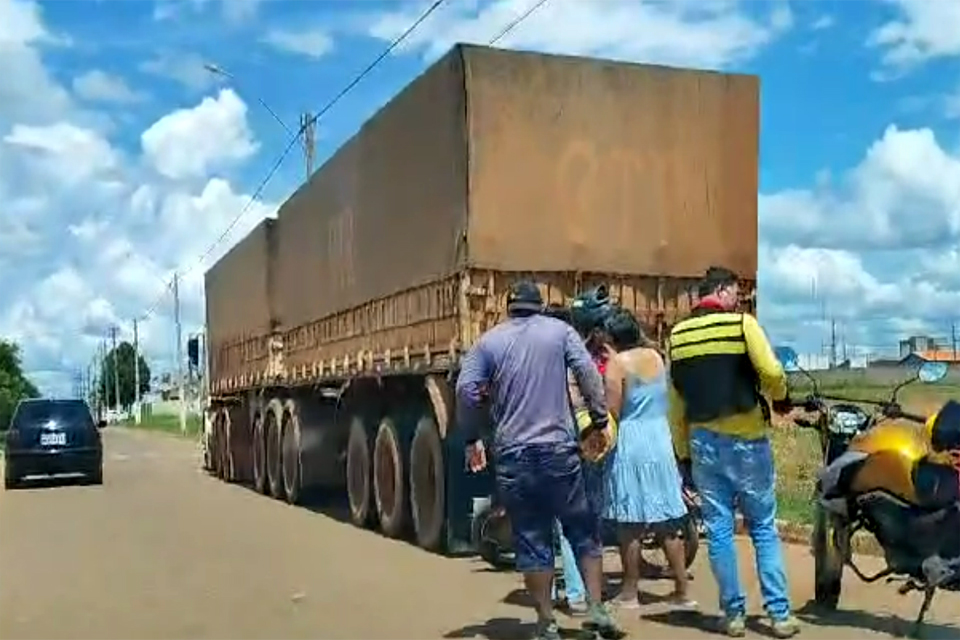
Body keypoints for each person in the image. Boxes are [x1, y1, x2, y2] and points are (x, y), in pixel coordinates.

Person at [456, 282, 622, 640]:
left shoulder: (489, 342)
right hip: (559, 452)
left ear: (509, 307)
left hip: (514, 456)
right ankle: (596, 609)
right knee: (582, 528)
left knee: (531, 538)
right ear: (541, 306)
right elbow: (589, 374)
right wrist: (597, 417)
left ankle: (546, 622)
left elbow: (466, 390)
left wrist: (472, 436)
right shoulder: (560, 332)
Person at [667, 266, 800, 638]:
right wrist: (782, 400)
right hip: (748, 443)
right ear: (723, 292)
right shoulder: (742, 325)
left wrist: (683, 453)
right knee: (762, 527)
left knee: (721, 531)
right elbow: (772, 371)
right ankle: (779, 615)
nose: (739, 300)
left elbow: (675, 403)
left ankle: (734, 615)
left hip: (703, 444)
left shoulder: (677, 336)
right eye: (736, 294)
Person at [601, 308, 697, 610]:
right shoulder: (657, 357)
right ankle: (682, 590)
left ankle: (630, 593)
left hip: (632, 441)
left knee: (629, 523)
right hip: (659, 439)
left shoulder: (617, 364)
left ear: (612, 336)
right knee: (667, 520)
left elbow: (613, 411)